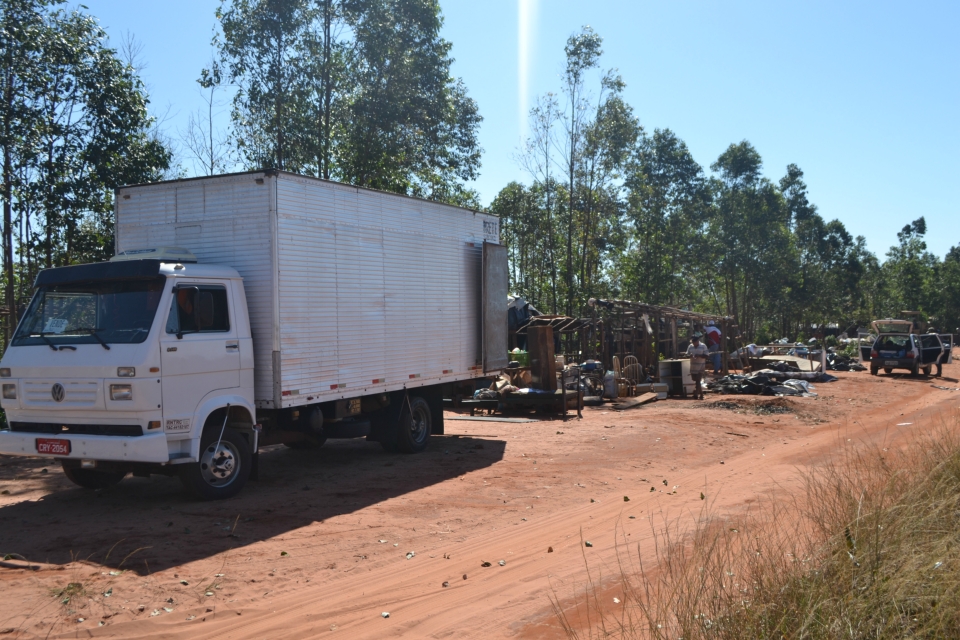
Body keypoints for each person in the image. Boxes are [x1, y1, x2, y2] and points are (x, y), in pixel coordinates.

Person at [685, 332, 710, 400]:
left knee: (698, 380)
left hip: (701, 366)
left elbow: (707, 355)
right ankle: (701, 394)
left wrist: (699, 355)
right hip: (693, 366)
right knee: (695, 380)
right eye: (693, 342)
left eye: (695, 342)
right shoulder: (690, 346)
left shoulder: (703, 346)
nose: (694, 343)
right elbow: (686, 354)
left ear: (698, 341)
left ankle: (696, 394)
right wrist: (689, 355)